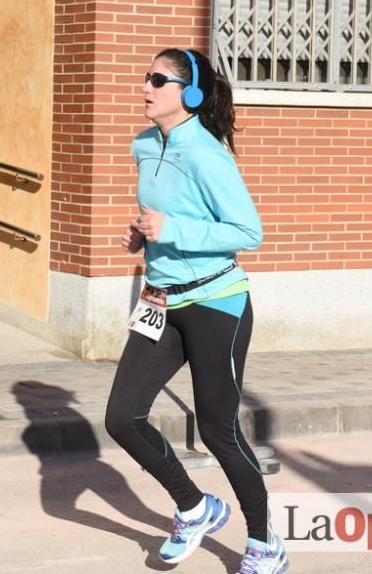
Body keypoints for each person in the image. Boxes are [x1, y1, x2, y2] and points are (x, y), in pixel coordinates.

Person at [105, 49, 288, 573]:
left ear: (187, 94)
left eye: (158, 79)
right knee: (122, 417)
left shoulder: (208, 154)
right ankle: (194, 506)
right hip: (161, 300)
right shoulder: (144, 145)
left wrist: (175, 231)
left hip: (215, 303)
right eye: (146, 76)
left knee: (217, 429)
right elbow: (163, 215)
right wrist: (142, 237)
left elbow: (248, 232)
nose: (145, 85)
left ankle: (263, 541)